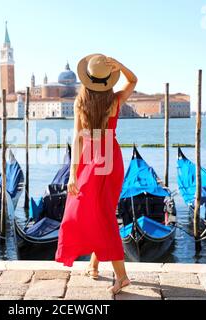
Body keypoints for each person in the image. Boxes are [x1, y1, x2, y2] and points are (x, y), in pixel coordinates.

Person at [55, 54, 138, 294]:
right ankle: (94, 265)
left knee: (94, 212)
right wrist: (121, 66)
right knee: (99, 211)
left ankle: (121, 277)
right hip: (110, 157)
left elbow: (77, 139)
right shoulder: (115, 99)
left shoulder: (80, 102)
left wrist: (73, 173)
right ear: (107, 80)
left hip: (92, 159)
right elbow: (133, 81)